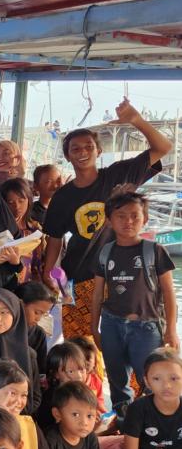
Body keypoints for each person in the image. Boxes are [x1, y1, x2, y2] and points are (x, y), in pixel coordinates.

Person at [42, 98, 171, 340]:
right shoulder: (62, 197)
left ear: (98, 151)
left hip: (126, 273)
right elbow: (55, 239)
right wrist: (50, 272)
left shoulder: (119, 174)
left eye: (88, 146)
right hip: (80, 275)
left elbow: (163, 147)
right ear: (67, 156)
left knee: (133, 338)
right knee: (80, 343)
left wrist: (136, 120)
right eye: (75, 149)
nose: (83, 152)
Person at [90, 189, 177, 417]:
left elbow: (169, 294)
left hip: (146, 328)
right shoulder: (105, 252)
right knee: (118, 382)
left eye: (135, 216)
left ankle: (154, 426)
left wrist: (171, 331)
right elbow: (98, 293)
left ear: (144, 219)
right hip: (111, 325)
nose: (128, 221)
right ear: (109, 220)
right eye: (121, 216)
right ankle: (124, 423)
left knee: (152, 380)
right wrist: (94, 327)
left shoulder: (154, 251)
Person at [36, 341, 92, 431]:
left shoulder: (82, 393)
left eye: (81, 369)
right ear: (55, 373)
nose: (79, 376)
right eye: (70, 371)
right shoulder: (51, 399)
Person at [1, 177, 45, 283]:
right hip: (6, 286)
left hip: (30, 287)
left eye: (21, 201)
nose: (17, 206)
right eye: (10, 202)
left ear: (29, 200)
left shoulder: (35, 230)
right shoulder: (0, 230)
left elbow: (40, 263)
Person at [16, 281, 57, 388]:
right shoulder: (3, 329)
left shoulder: (39, 334)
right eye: (37, 312)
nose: (38, 318)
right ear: (20, 304)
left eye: (43, 314)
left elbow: (40, 369)